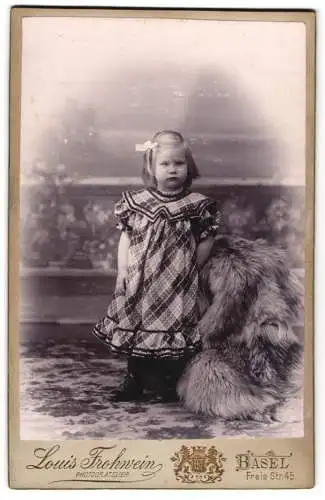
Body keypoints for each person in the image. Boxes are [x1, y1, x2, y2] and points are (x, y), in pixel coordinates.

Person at [92, 130, 223, 402]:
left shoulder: (196, 206)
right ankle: (134, 381)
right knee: (138, 330)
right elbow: (126, 239)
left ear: (189, 166)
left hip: (177, 284)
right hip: (142, 283)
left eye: (179, 163)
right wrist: (123, 272)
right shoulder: (137, 203)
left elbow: (206, 239)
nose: (173, 169)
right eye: (165, 164)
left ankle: (168, 383)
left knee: (174, 331)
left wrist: (192, 270)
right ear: (151, 168)